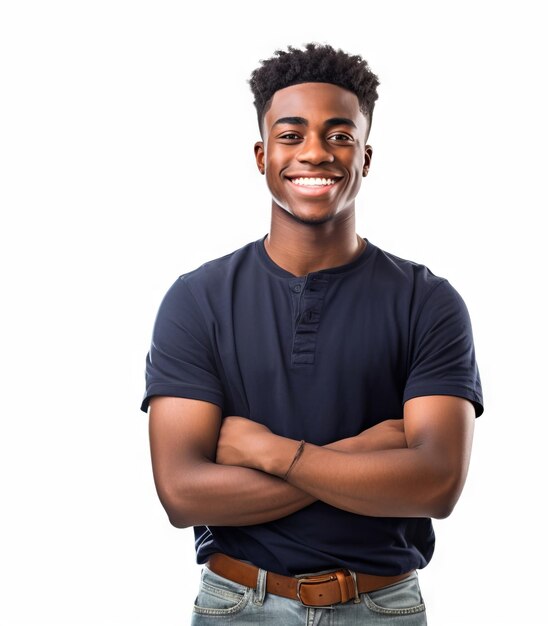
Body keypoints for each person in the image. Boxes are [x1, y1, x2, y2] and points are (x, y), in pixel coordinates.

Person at [141, 42, 483, 625]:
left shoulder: (428, 301)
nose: (316, 153)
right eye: (292, 134)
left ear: (366, 156)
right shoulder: (196, 299)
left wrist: (266, 452)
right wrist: (363, 456)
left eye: (340, 135)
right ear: (262, 153)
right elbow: (182, 492)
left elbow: (436, 484)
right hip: (236, 605)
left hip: (382, 606)